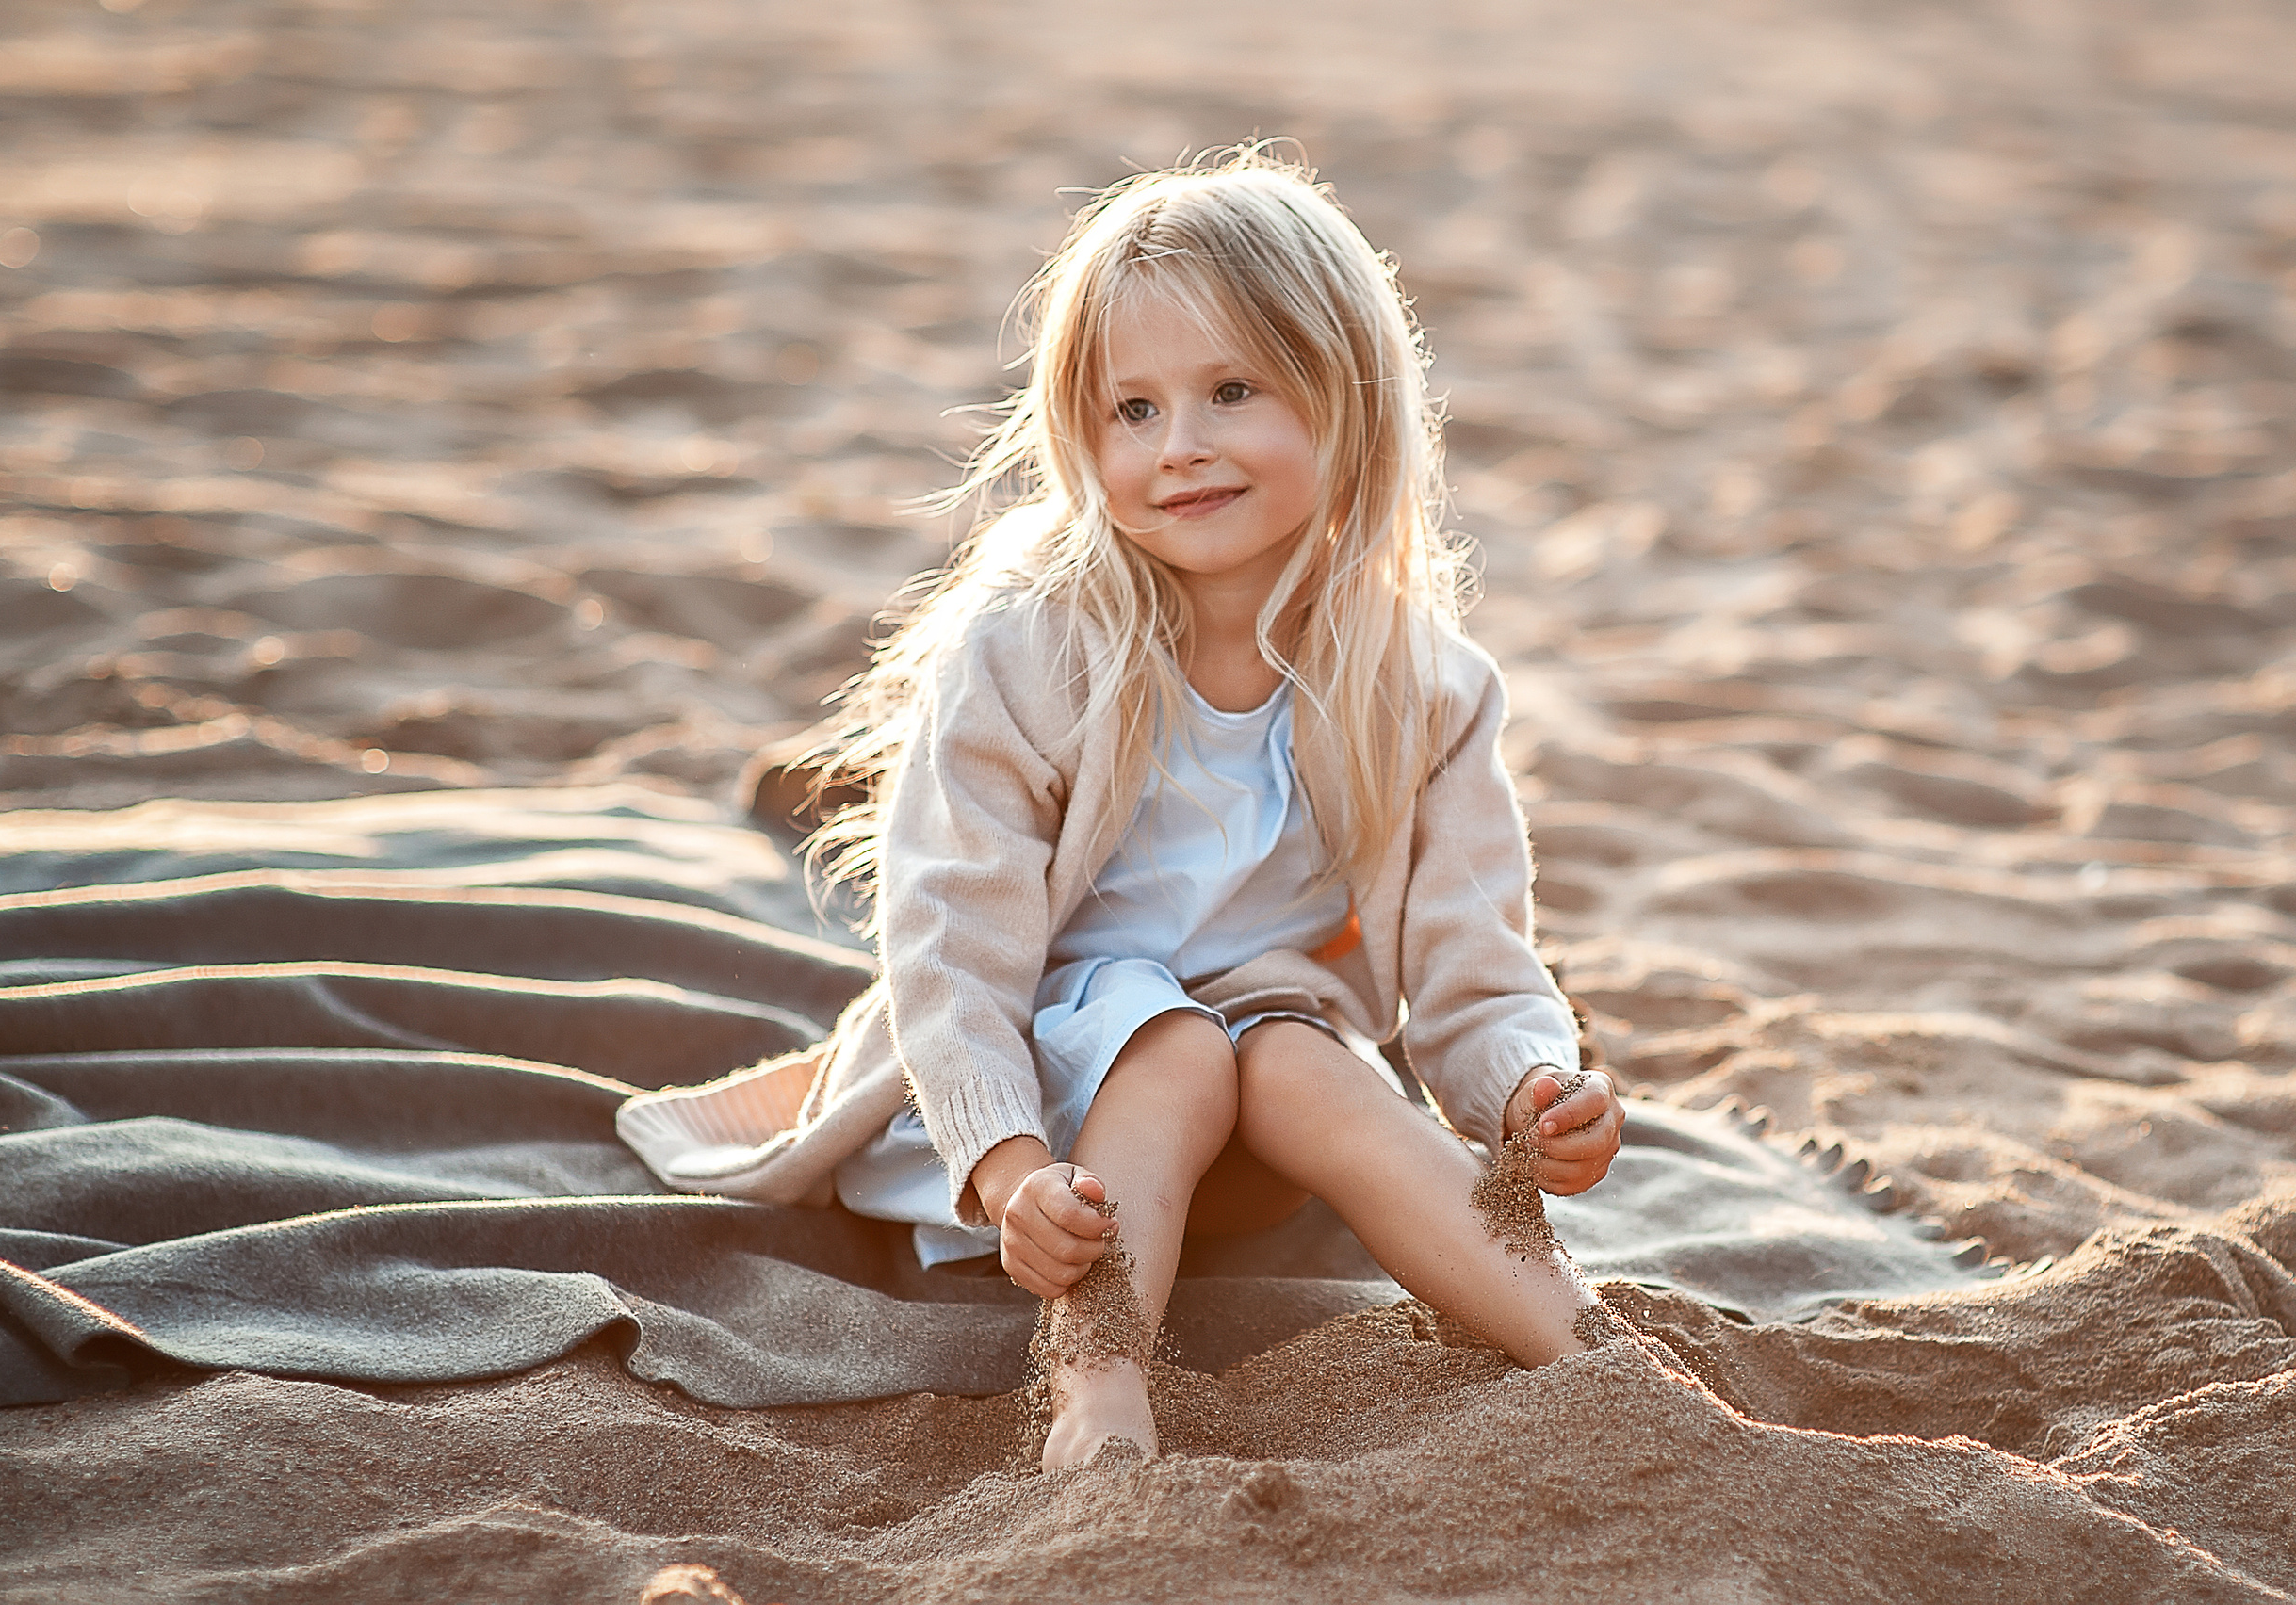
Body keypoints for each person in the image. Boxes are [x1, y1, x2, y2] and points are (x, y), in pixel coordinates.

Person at [617, 145, 1624, 1470]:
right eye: (1131, 410)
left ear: (1350, 403)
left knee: (1293, 1052)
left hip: (1264, 1130)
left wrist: (1530, 1091)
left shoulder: (1427, 687)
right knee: (1177, 1042)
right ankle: (1094, 1381)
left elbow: (1473, 967)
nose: (1181, 446)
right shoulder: (1025, 648)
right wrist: (1013, 1171)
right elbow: (951, 951)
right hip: (1055, 1131)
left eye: (1231, 391)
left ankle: (1599, 1354)